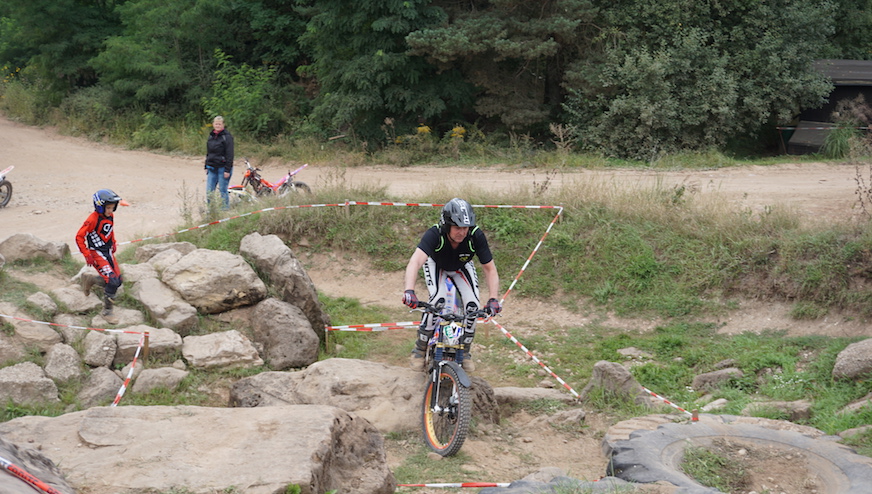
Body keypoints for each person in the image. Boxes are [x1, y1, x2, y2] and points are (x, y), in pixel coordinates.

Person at [403, 198, 501, 372]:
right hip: (436, 264)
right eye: (457, 227)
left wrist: (493, 298)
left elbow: (490, 269)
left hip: (461, 267)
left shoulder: (475, 235)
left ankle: (465, 351)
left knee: (473, 306)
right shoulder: (435, 233)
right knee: (437, 301)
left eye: (465, 228)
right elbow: (415, 261)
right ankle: (420, 349)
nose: (462, 232)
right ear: (446, 225)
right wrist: (409, 290)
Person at [76, 189, 124, 325]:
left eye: (112, 207)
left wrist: (113, 242)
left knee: (118, 281)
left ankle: (90, 279)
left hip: (107, 251)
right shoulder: (92, 219)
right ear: (100, 206)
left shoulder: (110, 216)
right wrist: (87, 254)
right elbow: (79, 237)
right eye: (108, 208)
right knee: (112, 282)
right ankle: (107, 312)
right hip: (96, 253)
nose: (111, 210)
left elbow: (109, 230)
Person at [204, 115, 234, 209]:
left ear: (223, 125)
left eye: (219, 124)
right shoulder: (211, 136)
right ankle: (211, 210)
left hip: (223, 168)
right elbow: (209, 152)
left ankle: (224, 210)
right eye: (216, 124)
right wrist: (206, 165)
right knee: (209, 191)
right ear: (213, 124)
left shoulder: (227, 137)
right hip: (212, 167)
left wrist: (227, 170)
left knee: (222, 190)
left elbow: (230, 154)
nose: (217, 126)